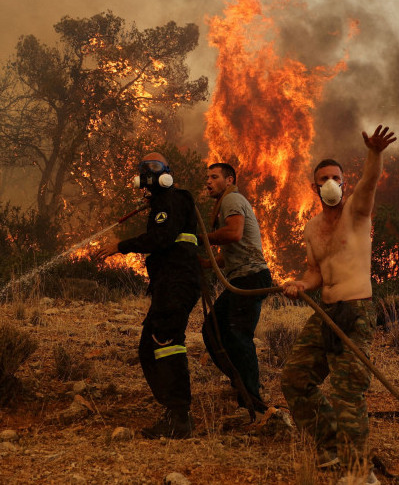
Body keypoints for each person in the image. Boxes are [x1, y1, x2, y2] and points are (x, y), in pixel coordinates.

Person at [280, 125, 396, 477]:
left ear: (344, 182)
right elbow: (317, 272)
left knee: (348, 394)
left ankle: (360, 473)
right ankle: (328, 447)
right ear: (314, 187)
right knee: (295, 378)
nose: (330, 182)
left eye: (336, 177)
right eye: (323, 178)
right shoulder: (312, 228)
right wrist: (301, 283)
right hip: (326, 311)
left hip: (356, 311)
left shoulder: (357, 212)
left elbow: (371, 181)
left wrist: (375, 153)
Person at [100, 152, 202, 439]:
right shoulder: (163, 203)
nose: (150, 172)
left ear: (167, 172)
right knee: (149, 347)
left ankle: (179, 417)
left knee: (167, 342)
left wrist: (121, 246)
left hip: (177, 282)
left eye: (156, 167)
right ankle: (174, 410)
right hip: (169, 283)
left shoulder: (173, 200)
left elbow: (161, 239)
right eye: (145, 168)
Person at [199, 162, 273, 416]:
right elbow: (231, 251)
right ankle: (241, 385)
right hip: (243, 277)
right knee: (213, 329)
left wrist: (200, 238)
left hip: (250, 278)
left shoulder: (231, 201)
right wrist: (207, 263)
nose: (208, 181)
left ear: (229, 180)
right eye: (207, 177)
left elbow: (233, 234)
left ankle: (251, 399)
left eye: (214, 177)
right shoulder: (226, 203)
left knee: (238, 336)